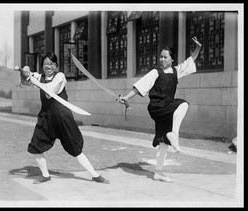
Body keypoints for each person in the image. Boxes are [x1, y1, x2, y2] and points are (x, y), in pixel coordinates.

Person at [118, 37, 202, 183]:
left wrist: (198, 48)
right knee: (183, 104)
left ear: (172, 59)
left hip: (167, 108)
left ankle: (158, 173)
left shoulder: (176, 71)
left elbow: (190, 61)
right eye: (161, 56)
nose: (162, 59)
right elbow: (140, 87)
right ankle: (174, 134)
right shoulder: (155, 72)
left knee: (164, 142)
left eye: (165, 57)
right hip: (157, 107)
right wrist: (126, 97)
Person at [20, 51, 109, 184]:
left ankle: (95, 175)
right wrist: (25, 74)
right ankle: (45, 175)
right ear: (42, 66)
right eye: (45, 64)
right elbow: (26, 82)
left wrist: (33, 79)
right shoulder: (39, 77)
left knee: (75, 148)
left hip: (62, 116)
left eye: (51, 64)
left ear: (56, 65)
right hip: (46, 117)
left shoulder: (60, 76)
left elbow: (50, 92)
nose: (48, 67)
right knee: (36, 146)